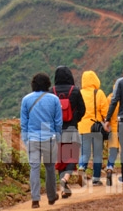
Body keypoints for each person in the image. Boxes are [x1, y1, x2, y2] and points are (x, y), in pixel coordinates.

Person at [21, 72, 62, 208]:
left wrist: (26, 139)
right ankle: (51, 196)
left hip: (32, 139)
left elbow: (24, 123)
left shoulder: (26, 99)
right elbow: (58, 122)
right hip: (49, 138)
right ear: (47, 84)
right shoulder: (54, 99)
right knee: (50, 167)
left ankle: (35, 200)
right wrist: (58, 137)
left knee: (34, 168)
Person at [52, 66, 86, 198]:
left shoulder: (51, 91)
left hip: (57, 130)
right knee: (72, 156)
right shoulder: (75, 90)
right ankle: (65, 179)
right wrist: (75, 119)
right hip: (71, 128)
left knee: (61, 159)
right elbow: (82, 109)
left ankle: (64, 189)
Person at [76, 70, 108, 186]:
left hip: (83, 127)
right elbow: (105, 111)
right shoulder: (98, 93)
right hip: (96, 127)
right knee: (97, 153)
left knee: (85, 152)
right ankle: (96, 178)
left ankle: (81, 167)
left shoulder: (79, 93)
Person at [105, 79, 120, 186]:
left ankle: (110, 167)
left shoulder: (109, 98)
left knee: (113, 151)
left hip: (112, 128)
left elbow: (106, 113)